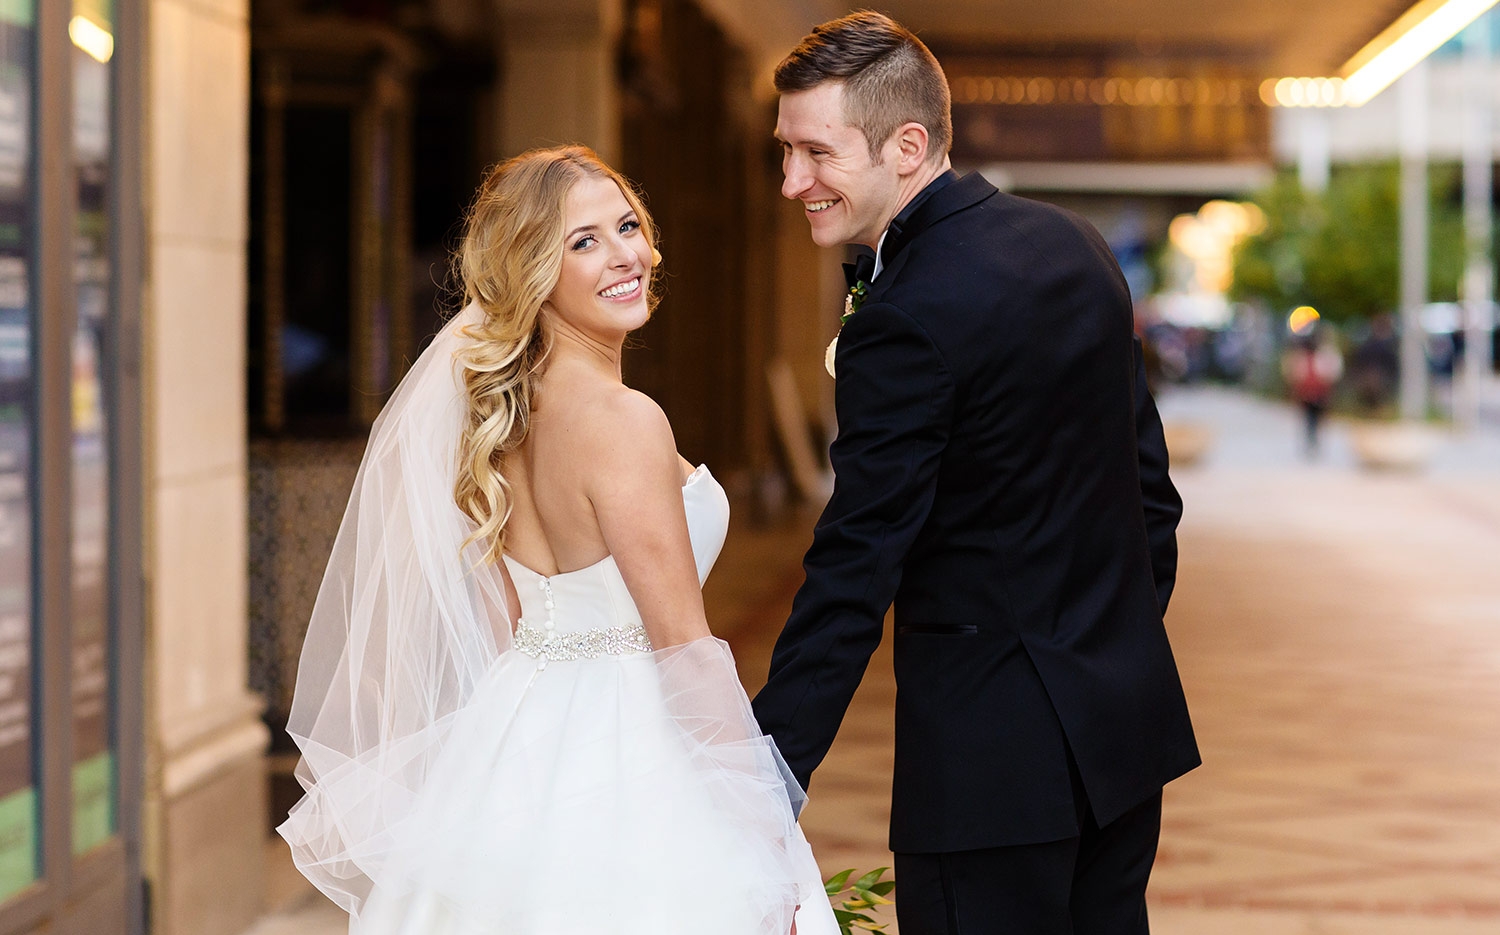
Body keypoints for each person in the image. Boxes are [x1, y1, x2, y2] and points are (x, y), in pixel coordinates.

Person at [277, 146, 837, 935]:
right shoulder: (624, 420)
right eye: (584, 241)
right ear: (535, 272)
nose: (624, 255)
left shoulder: (499, 419)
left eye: (628, 226)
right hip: (634, 743)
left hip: (516, 732)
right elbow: (684, 647)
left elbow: (502, 621)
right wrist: (764, 836)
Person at [751, 13, 1199, 935]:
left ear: (907, 147)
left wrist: (767, 772)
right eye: (785, 151)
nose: (792, 180)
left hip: (989, 771)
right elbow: (1149, 495)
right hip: (1123, 738)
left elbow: (856, 563)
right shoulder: (1076, 246)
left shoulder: (903, 314)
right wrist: (1104, 647)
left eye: (817, 153)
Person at [1282, 329, 1344, 455]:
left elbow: (1332, 372)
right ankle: (1311, 439)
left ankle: (1314, 438)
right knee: (1309, 417)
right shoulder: (1304, 357)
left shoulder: (1324, 355)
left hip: (1320, 391)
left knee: (1316, 417)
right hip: (1307, 392)